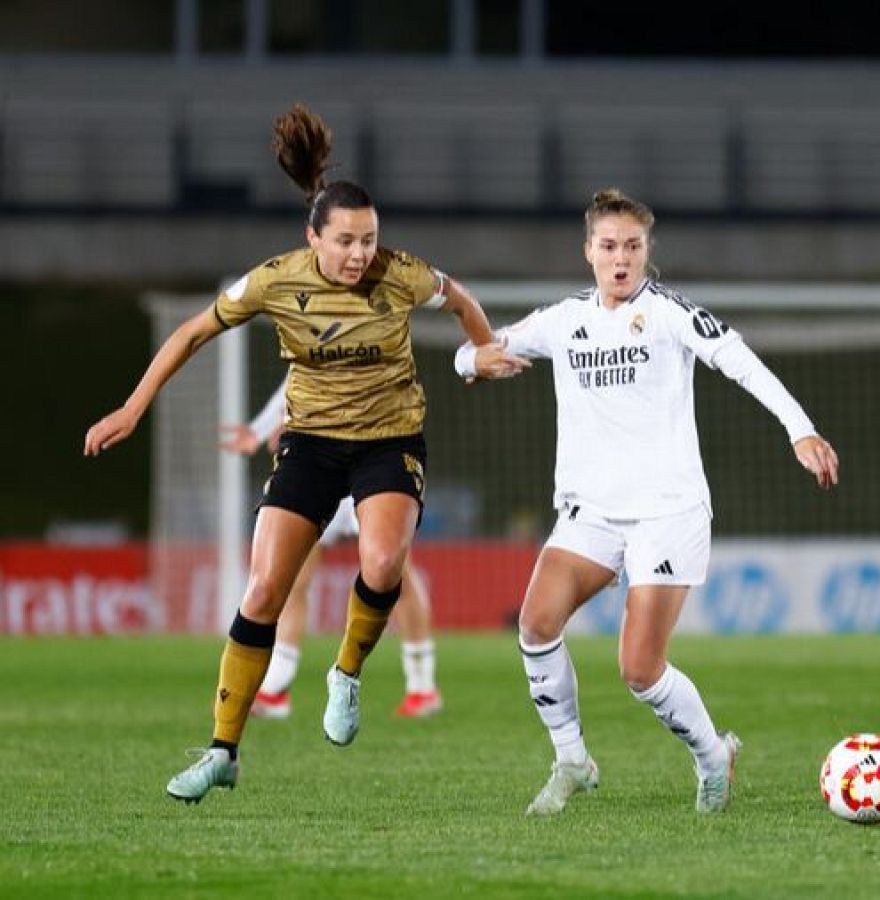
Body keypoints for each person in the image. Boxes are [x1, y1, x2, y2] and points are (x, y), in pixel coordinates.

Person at [84, 104, 512, 804]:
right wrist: (134, 407)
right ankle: (223, 750)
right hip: (310, 443)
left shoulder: (400, 275)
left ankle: (345, 673)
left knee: (382, 563)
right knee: (262, 591)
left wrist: (481, 350)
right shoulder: (274, 280)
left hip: (389, 439)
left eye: (369, 240)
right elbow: (193, 333)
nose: (359, 254)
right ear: (312, 236)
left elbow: (459, 298)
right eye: (345, 240)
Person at [457, 188, 838, 816]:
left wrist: (800, 427)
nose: (621, 257)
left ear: (646, 251)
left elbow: (739, 360)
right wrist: (473, 362)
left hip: (668, 509)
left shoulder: (667, 313)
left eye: (633, 246)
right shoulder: (562, 321)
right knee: (535, 625)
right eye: (609, 246)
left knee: (638, 668)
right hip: (591, 513)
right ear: (589, 252)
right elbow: (478, 349)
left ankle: (714, 755)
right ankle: (572, 759)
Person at [220, 374, 442, 720]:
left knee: (393, 571)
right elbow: (299, 374)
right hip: (319, 460)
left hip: (371, 457)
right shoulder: (314, 328)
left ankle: (422, 685)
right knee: (291, 578)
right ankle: (276, 687)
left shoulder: (379, 328)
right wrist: (265, 427)